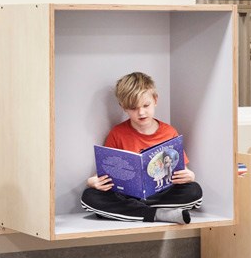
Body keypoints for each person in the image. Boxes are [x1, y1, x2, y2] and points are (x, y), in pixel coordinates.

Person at [82, 72, 203, 224]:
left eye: (146, 105)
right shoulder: (117, 134)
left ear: (155, 100)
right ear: (123, 107)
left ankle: (131, 212)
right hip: (126, 195)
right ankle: (158, 214)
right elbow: (104, 174)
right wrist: (92, 182)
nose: (141, 112)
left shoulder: (169, 132)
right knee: (89, 197)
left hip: (160, 194)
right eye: (133, 108)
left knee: (194, 191)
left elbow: (182, 170)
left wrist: (190, 175)